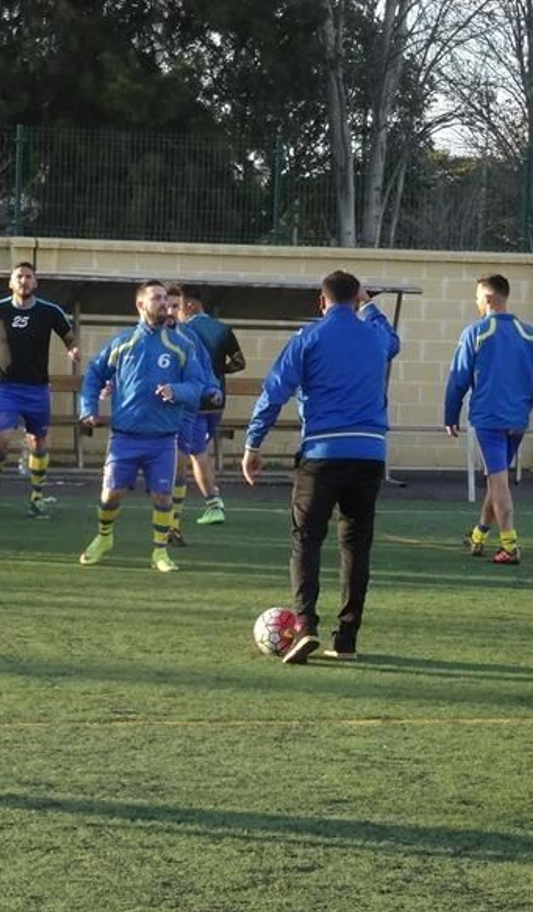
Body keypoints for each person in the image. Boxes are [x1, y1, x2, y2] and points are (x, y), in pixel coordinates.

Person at [242, 270, 399, 665]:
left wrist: (253, 443)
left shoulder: (308, 337)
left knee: (307, 538)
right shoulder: (375, 334)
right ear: (356, 297)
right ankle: (346, 638)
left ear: (321, 300)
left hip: (323, 453)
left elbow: (274, 390)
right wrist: (371, 305)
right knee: (355, 546)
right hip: (370, 455)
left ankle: (306, 626)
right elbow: (393, 343)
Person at [77, 280, 208, 573]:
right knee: (111, 494)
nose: (164, 303)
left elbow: (197, 384)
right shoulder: (123, 343)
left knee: (163, 497)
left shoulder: (181, 346)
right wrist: (88, 408)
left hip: (162, 440)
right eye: (157, 299)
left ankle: (160, 552)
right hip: (124, 437)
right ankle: (104, 538)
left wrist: (177, 391)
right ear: (140, 305)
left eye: (165, 298)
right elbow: (95, 375)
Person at [442, 273, 533, 565]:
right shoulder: (530, 334)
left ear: (488, 298)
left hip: (489, 420)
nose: (476, 303)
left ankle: (509, 544)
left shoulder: (477, 332)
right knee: (496, 479)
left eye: (476, 298)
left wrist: (450, 413)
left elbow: (458, 378)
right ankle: (479, 535)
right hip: (517, 421)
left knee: (499, 483)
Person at [0, 261, 79, 519]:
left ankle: (37, 498)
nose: (24, 281)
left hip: (38, 389)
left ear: (36, 282)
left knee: (38, 443)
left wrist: (73, 349)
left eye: (29, 276)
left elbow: (69, 335)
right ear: (11, 283)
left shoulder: (49, 311)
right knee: (1, 440)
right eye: (19, 277)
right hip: (7, 388)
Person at [164, 283, 236, 544]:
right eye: (166, 305)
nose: (171, 310)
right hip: (151, 413)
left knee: (182, 462)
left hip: (187, 409)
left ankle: (174, 526)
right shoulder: (141, 337)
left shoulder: (189, 336)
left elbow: (204, 367)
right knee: (116, 483)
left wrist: (212, 387)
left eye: (175, 305)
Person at [177, 283, 244, 528]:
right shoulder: (223, 329)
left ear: (191, 305)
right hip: (217, 400)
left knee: (194, 454)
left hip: (195, 400)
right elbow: (239, 363)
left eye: (178, 306)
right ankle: (208, 501)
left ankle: (212, 504)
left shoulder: (183, 331)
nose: (176, 312)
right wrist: (219, 370)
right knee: (197, 451)